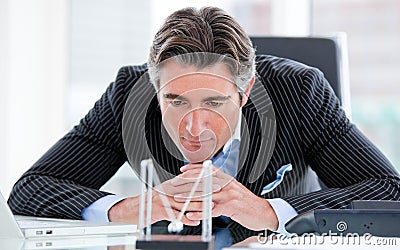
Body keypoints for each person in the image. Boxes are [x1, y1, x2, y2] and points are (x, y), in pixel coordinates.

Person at [8, 6, 400, 244]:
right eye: (175, 101)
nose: (194, 127)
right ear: (155, 88)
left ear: (246, 90)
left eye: (214, 102)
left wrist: (272, 211)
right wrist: (127, 208)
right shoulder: (130, 93)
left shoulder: (300, 91)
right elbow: (31, 189)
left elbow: (389, 191)